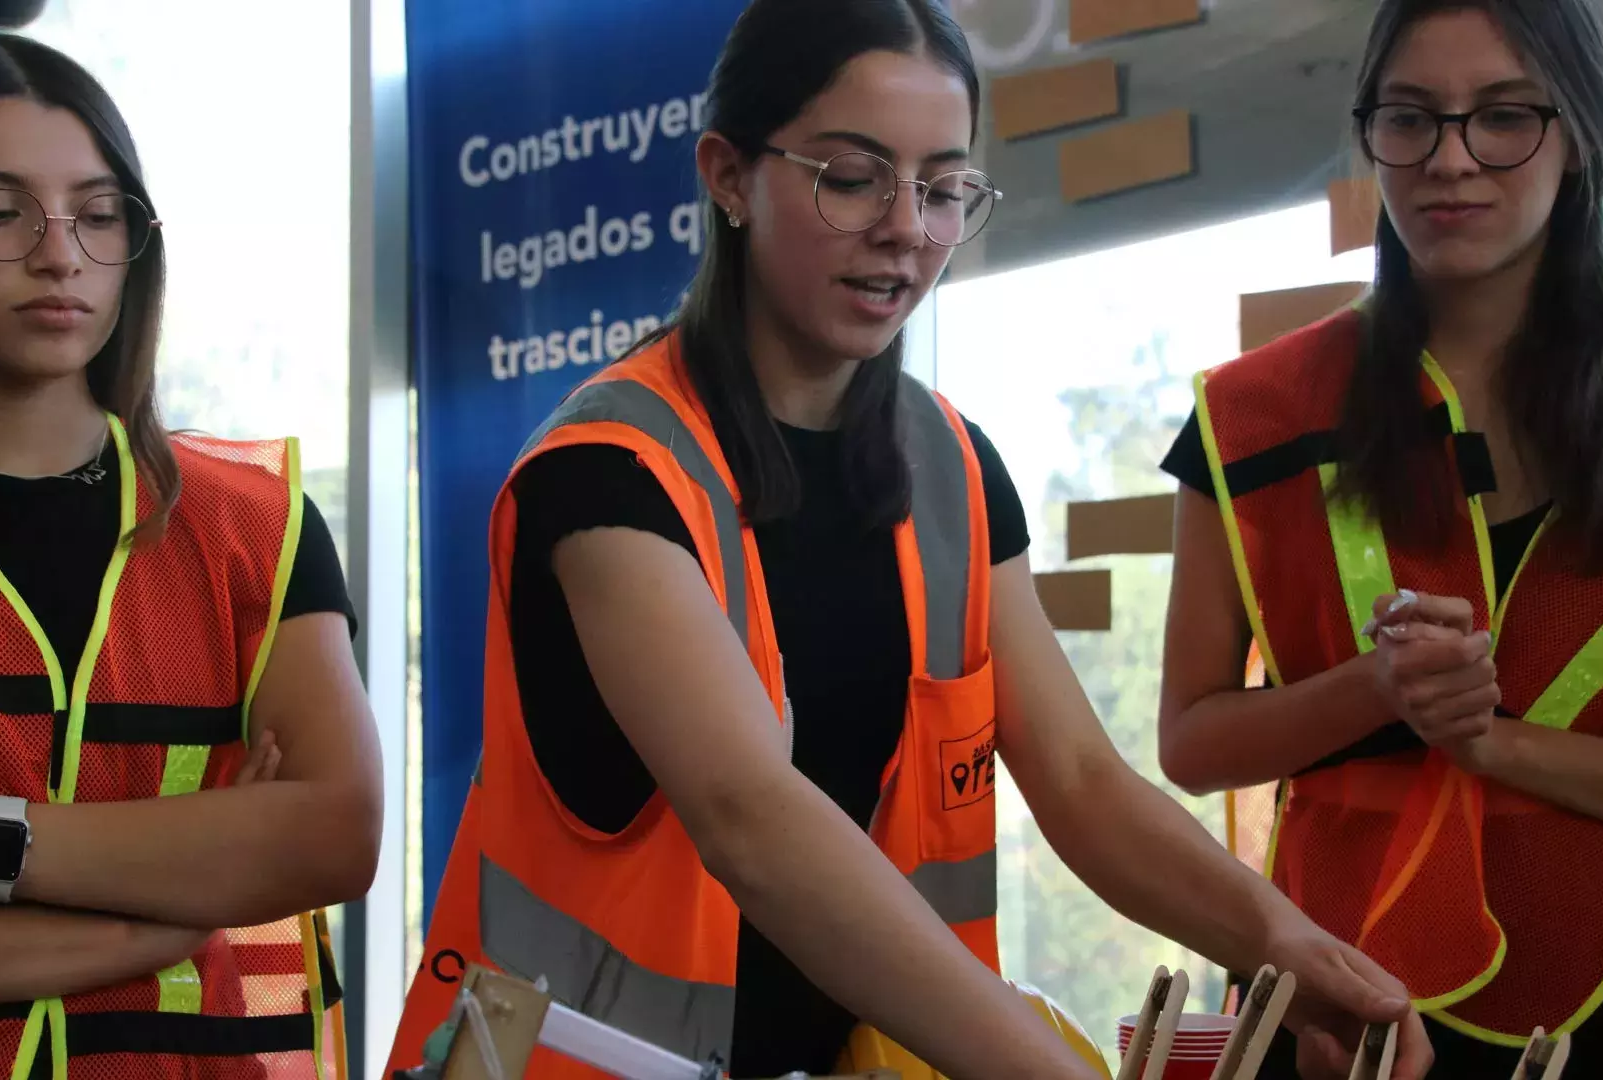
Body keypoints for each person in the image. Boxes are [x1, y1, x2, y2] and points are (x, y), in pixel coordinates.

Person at [394, 2, 1432, 1078]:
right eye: (853, 177)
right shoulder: (607, 474)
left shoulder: (952, 467)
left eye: (942, 189)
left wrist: (1292, 953)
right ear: (728, 176)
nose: (906, 228)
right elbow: (753, 820)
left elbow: (1078, 779)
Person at [1157, 1, 1603, 1077]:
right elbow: (1190, 744)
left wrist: (1497, 743)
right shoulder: (1256, 417)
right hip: (1327, 978)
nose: (1450, 160)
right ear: (1370, 134)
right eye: (1411, 119)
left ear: (1580, 138)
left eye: (1502, 118)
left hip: (1600, 978)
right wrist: (1377, 690)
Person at [0, 32, 382, 1080]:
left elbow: (333, 834)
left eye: (98, 215)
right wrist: (165, 904)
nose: (60, 253)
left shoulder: (252, 524)